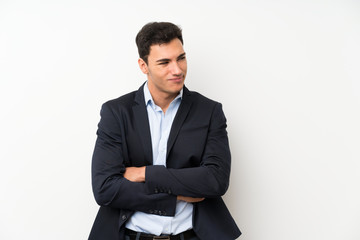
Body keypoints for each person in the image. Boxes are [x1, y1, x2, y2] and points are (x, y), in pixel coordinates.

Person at [89, 22, 241, 240]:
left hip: (192, 235)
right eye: (164, 62)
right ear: (143, 66)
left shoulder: (209, 111)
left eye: (181, 58)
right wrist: (178, 194)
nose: (177, 70)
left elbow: (215, 180)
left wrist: (145, 174)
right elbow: (105, 188)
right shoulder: (116, 112)